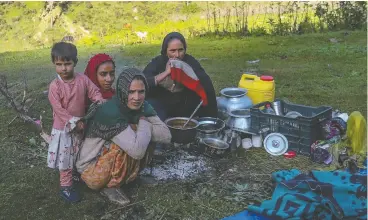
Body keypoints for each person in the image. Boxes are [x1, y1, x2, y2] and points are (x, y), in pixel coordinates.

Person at [76, 68, 171, 206]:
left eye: (141, 91)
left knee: (141, 136)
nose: (136, 98)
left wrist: (143, 127)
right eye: (131, 92)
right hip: (92, 170)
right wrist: (144, 123)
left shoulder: (143, 106)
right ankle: (110, 186)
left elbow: (166, 136)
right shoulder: (111, 111)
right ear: (122, 91)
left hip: (110, 158)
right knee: (134, 139)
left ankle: (128, 178)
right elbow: (137, 151)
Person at [47, 42, 105, 203]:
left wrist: (99, 100)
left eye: (67, 64)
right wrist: (73, 122)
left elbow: (93, 91)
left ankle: (75, 175)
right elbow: (59, 110)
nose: (63, 68)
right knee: (65, 159)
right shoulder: (55, 86)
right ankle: (65, 187)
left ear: (75, 62)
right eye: (59, 64)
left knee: (78, 153)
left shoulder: (82, 79)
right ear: (54, 64)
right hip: (64, 129)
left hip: (79, 126)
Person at [143, 32, 218, 121]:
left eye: (180, 50)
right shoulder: (158, 63)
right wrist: (166, 73)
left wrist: (212, 119)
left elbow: (207, 86)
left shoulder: (190, 62)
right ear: (165, 51)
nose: (177, 55)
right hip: (162, 104)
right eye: (172, 51)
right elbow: (143, 82)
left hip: (185, 106)